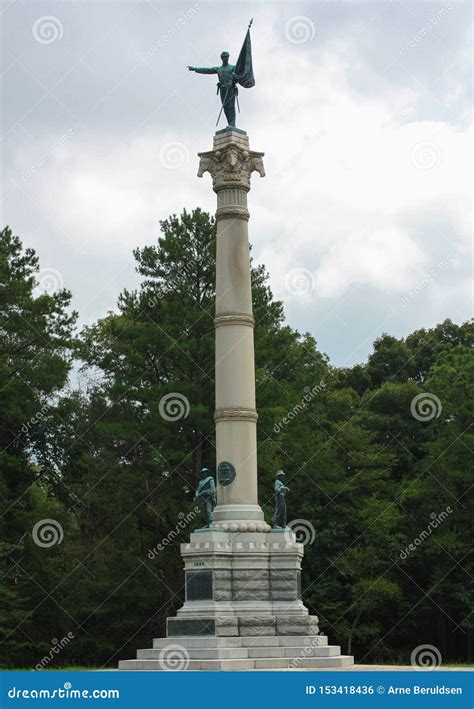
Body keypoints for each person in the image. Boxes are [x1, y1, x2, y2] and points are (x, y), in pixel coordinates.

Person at [188, 51, 237, 127]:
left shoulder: (233, 67)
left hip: (230, 89)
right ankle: (229, 124)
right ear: (222, 58)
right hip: (223, 89)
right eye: (224, 57)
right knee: (225, 107)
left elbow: (239, 74)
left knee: (231, 106)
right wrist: (195, 69)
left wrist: (233, 80)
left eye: (227, 57)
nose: (226, 58)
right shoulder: (218, 69)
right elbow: (207, 70)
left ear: (228, 57)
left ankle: (232, 124)